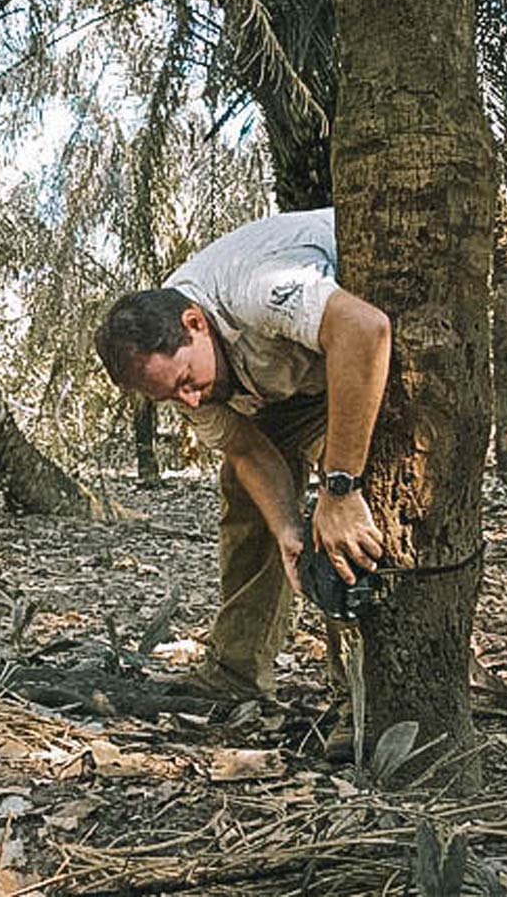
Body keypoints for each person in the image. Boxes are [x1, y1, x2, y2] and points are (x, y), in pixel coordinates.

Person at [94, 208, 390, 760]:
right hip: (300, 379)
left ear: (195, 324)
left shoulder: (256, 285)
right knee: (248, 498)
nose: (187, 401)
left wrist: (341, 489)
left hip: (363, 352)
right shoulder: (185, 379)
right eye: (168, 398)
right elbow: (247, 447)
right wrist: (287, 530)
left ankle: (366, 698)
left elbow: (364, 328)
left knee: (353, 518)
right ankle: (236, 673)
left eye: (185, 381)